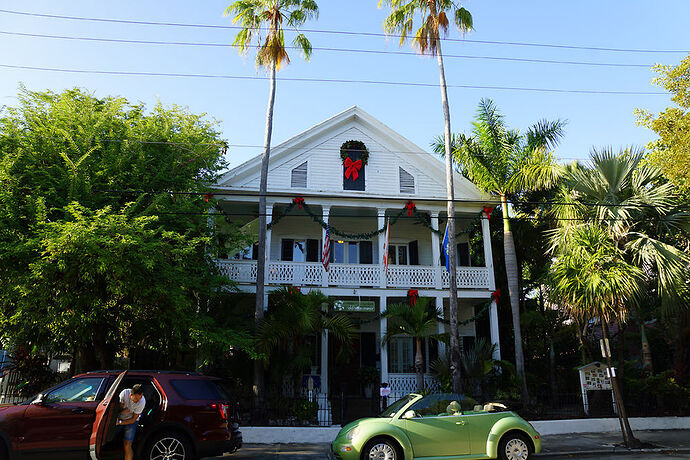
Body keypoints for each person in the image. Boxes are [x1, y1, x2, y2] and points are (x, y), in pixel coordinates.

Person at [114, 384, 146, 460]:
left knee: (127, 444)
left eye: (139, 398)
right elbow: (116, 410)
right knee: (108, 438)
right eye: (135, 399)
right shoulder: (124, 394)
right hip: (119, 417)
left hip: (131, 421)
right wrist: (121, 412)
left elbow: (133, 420)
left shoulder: (142, 402)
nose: (137, 401)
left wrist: (120, 422)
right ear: (130, 395)